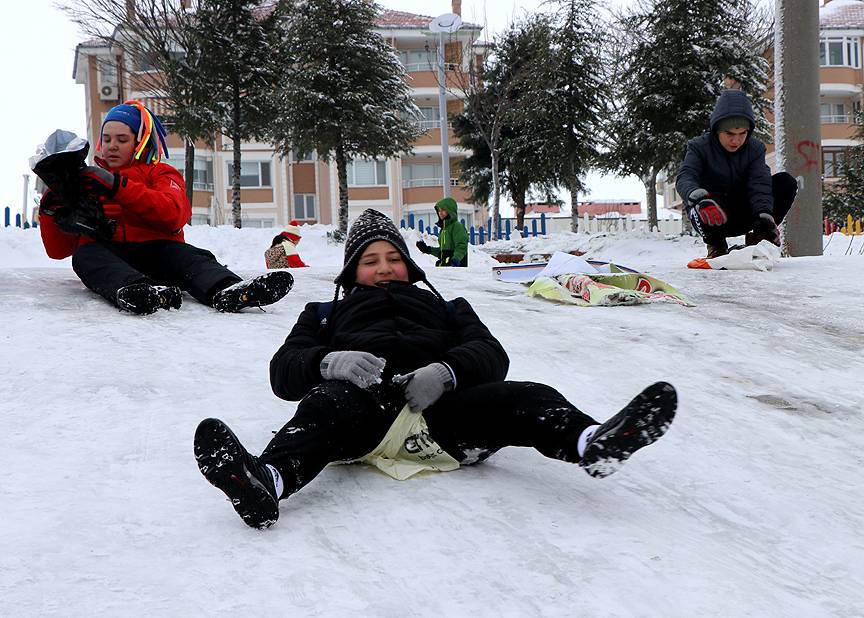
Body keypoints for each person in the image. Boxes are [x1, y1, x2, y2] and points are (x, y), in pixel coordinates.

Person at [193, 208, 677, 529]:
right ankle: (267, 482)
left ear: (409, 266)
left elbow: (491, 355)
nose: (384, 268)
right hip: (367, 414)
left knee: (526, 394)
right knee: (325, 404)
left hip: (446, 417)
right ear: (350, 273)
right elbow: (284, 372)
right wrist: (328, 361)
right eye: (369, 261)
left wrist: (446, 371)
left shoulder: (448, 309)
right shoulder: (325, 313)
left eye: (393, 259)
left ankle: (593, 443)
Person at [36, 100, 293, 315]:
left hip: (160, 254)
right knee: (86, 256)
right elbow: (58, 252)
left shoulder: (161, 172)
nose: (112, 145)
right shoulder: (86, 181)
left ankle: (230, 290)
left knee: (189, 256)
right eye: (106, 138)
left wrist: (116, 186)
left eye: (122, 139)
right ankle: (139, 292)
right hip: (116, 261)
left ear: (140, 142)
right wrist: (52, 210)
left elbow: (173, 214)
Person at [676, 89, 798, 259]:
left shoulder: (755, 149)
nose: (736, 141)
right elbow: (685, 175)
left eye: (742, 134)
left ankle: (759, 237)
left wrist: (765, 215)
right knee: (700, 204)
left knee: (786, 182)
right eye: (730, 134)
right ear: (717, 130)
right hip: (711, 214)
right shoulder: (699, 147)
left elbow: (760, 184)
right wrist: (698, 197)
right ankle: (716, 245)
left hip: (743, 213)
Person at [415, 196, 469, 267]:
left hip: (456, 268)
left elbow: (461, 246)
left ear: (450, 210)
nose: (440, 213)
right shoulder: (443, 229)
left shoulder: (456, 226)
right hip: (445, 266)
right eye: (439, 210)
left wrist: (456, 259)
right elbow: (443, 252)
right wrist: (427, 249)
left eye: (443, 210)